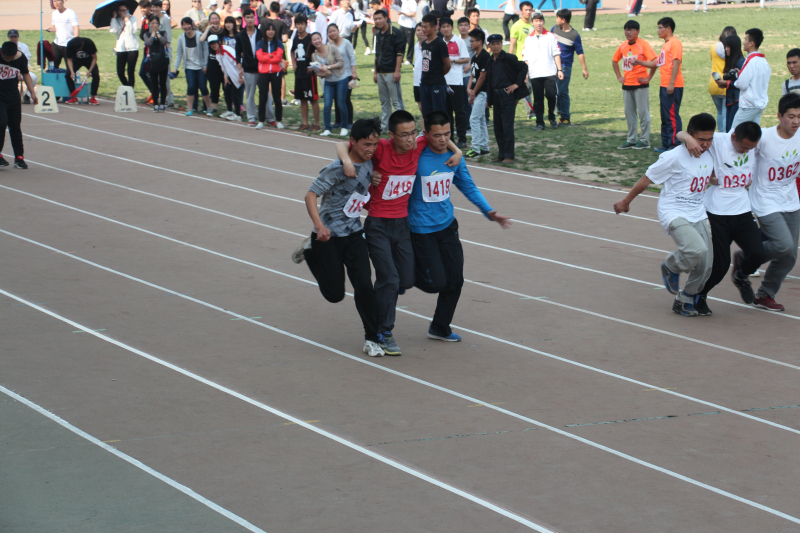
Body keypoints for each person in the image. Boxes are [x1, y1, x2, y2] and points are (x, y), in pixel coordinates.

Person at [335, 110, 463, 355]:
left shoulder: (417, 145)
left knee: (405, 280)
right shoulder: (381, 148)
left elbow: (441, 137)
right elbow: (343, 143)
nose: (410, 139)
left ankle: (386, 293)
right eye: (404, 135)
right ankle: (384, 332)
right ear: (391, 135)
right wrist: (347, 161)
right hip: (378, 225)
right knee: (391, 280)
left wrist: (457, 152)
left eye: (413, 133)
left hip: (402, 225)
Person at [410, 110, 512, 341]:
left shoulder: (454, 158)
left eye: (447, 134)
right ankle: (404, 273)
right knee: (435, 282)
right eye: (437, 135)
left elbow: (468, 186)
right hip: (420, 229)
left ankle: (439, 327)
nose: (443, 139)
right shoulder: (415, 156)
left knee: (455, 280)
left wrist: (489, 212)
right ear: (426, 135)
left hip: (447, 227)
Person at [291, 118, 387, 357]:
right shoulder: (337, 168)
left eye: (374, 144)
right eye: (366, 144)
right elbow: (310, 196)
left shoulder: (370, 161)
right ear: (354, 142)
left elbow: (347, 146)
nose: (371, 149)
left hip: (354, 234)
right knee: (335, 295)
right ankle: (310, 251)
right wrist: (319, 226)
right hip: (328, 237)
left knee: (365, 286)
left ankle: (372, 338)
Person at [613, 113, 716, 317]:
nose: (705, 144)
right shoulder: (673, 157)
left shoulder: (713, 151)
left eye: (709, 139)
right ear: (691, 135)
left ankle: (684, 299)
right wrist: (626, 201)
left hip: (698, 212)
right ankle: (671, 266)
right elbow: (646, 179)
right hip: (674, 211)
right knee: (696, 249)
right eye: (700, 139)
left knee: (706, 265)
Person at [675, 121, 763, 313]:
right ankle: (696, 295)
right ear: (733, 138)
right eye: (743, 147)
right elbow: (682, 133)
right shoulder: (719, 140)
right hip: (716, 213)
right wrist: (688, 138)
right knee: (719, 266)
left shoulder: (754, 145)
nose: (746, 151)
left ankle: (741, 275)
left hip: (742, 210)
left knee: (758, 252)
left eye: (751, 148)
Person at [743, 94, 800, 311]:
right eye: (791, 116)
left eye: (799, 117)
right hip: (764, 199)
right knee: (783, 244)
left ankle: (765, 294)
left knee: (790, 256)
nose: (795, 121)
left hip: (790, 199)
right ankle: (748, 257)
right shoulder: (764, 137)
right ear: (779, 116)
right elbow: (732, 142)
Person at [634, 17, 683, 153]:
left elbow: (676, 62)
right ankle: (666, 143)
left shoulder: (675, 43)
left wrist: (671, 83)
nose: (658, 31)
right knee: (665, 115)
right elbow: (657, 63)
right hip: (664, 85)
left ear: (669, 29)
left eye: (660, 27)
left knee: (672, 116)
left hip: (672, 85)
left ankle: (674, 145)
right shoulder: (666, 44)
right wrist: (639, 62)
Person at [612, 19, 657, 150]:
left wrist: (648, 77)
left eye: (631, 30)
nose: (628, 32)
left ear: (638, 31)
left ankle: (645, 140)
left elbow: (655, 62)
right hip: (627, 85)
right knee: (629, 114)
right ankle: (631, 139)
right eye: (626, 29)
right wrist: (619, 76)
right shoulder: (623, 45)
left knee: (643, 113)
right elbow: (614, 61)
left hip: (640, 85)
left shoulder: (644, 45)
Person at [486, 33, 527, 163]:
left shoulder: (509, 58)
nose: (496, 46)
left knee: (507, 126)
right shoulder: (490, 60)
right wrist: (489, 99)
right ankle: (501, 154)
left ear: (501, 44)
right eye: (493, 44)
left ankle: (509, 156)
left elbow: (524, 67)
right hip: (495, 95)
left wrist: (517, 84)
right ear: (489, 46)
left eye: (498, 43)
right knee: (497, 126)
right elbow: (489, 81)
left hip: (507, 95)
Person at [0, 41, 37, 170]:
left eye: (10, 59)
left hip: (13, 97)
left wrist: (32, 92)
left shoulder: (21, 58)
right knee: (1, 123)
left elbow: (26, 74)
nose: (8, 61)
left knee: (15, 126)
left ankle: (19, 158)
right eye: (5, 58)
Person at [523, 11, 562, 131]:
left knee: (551, 95)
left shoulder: (550, 36)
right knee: (538, 99)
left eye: (540, 20)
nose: (538, 23)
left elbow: (556, 54)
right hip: (535, 74)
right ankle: (540, 123)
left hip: (549, 72)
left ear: (543, 22)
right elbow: (526, 58)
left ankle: (551, 116)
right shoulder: (528, 39)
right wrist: (527, 72)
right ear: (532, 23)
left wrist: (559, 69)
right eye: (536, 21)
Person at [728, 28, 770, 130]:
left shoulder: (751, 61)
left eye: (745, 39)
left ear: (751, 43)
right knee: (752, 135)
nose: (743, 42)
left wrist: (733, 81)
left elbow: (742, 84)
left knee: (733, 134)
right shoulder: (763, 61)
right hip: (759, 104)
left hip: (749, 105)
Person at [373, 9, 406, 132]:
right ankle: (385, 126)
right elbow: (377, 54)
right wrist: (375, 72)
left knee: (396, 101)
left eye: (380, 18)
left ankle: (401, 124)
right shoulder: (378, 33)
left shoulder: (395, 33)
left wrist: (397, 71)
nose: (378, 21)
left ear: (386, 18)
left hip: (392, 72)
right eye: (375, 19)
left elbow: (400, 53)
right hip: (381, 72)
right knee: (384, 101)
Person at [551, 10, 586, 126]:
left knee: (562, 91)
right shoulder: (554, 29)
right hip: (552, 65)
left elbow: (580, 52)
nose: (556, 20)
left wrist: (584, 69)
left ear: (563, 20)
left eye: (557, 18)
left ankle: (565, 118)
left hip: (565, 66)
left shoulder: (574, 35)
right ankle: (560, 112)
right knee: (555, 91)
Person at [439, 18, 469, 149]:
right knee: (446, 113)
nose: (446, 29)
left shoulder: (459, 41)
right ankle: (449, 139)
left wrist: (453, 61)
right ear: (440, 29)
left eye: (448, 26)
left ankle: (462, 138)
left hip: (456, 82)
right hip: (442, 82)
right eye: (443, 27)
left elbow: (467, 58)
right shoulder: (439, 43)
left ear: (452, 28)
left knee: (459, 111)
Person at [173, 17, 211, 116]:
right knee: (191, 87)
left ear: (192, 25)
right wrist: (175, 68)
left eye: (188, 24)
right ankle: (190, 108)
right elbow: (179, 54)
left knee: (203, 87)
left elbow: (205, 51)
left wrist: (205, 65)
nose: (186, 27)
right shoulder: (181, 38)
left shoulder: (199, 35)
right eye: (184, 25)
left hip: (200, 66)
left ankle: (209, 108)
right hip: (189, 67)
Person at [310, 31, 345, 136]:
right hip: (328, 81)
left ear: (322, 38)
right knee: (327, 105)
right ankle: (327, 128)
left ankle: (344, 127)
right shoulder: (314, 55)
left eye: (318, 38)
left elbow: (341, 63)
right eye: (314, 40)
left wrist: (328, 67)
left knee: (341, 104)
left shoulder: (331, 48)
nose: (317, 41)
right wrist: (324, 73)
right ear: (312, 42)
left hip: (340, 79)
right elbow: (317, 73)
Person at [291, 13, 321, 131]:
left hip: (309, 74)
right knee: (302, 99)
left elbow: (318, 52)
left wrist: (313, 66)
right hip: (299, 73)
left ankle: (317, 123)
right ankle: (305, 123)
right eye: (298, 24)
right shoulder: (295, 39)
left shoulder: (310, 38)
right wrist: (293, 63)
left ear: (305, 24)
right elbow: (292, 51)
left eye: (302, 24)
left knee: (313, 99)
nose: (300, 26)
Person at [236, 9, 265, 126]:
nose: (250, 19)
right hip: (248, 69)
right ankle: (252, 117)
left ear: (255, 18)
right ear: (244, 19)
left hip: (262, 68)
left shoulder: (261, 33)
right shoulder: (240, 35)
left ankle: (268, 117)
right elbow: (237, 53)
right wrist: (239, 68)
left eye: (252, 17)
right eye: (247, 17)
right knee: (250, 94)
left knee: (265, 94)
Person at [419, 13, 451, 117]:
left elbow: (447, 65)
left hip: (437, 83)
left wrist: (438, 74)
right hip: (424, 83)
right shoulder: (424, 43)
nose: (423, 29)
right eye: (422, 26)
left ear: (434, 27)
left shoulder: (440, 43)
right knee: (426, 114)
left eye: (426, 27)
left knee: (438, 114)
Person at [465, 29, 490, 158]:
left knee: (474, 119)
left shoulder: (485, 56)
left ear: (480, 42)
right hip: (476, 93)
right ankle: (484, 147)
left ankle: (475, 148)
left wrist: (473, 92)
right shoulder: (474, 57)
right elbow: (472, 75)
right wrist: (469, 90)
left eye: (472, 41)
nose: (470, 43)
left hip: (482, 93)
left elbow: (482, 77)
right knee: (480, 120)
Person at [329, 24, 357, 135]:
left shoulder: (346, 43)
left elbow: (352, 57)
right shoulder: (330, 45)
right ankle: (338, 121)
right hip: (335, 75)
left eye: (333, 31)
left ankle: (349, 121)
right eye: (330, 32)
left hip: (348, 75)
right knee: (336, 98)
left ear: (338, 30)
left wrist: (354, 72)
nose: (332, 33)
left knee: (345, 99)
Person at [253, 22, 282, 128]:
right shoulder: (260, 43)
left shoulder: (278, 42)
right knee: (262, 97)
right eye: (268, 29)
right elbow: (259, 57)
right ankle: (261, 121)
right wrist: (271, 56)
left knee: (277, 97)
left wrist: (268, 57)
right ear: (265, 31)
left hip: (276, 72)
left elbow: (278, 57)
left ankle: (279, 120)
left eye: (273, 29)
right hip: (263, 73)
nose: (271, 32)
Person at [709, 27, 735, 133]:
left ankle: (720, 133)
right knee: (725, 113)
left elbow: (712, 59)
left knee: (719, 112)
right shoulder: (733, 50)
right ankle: (724, 135)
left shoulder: (713, 47)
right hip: (726, 84)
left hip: (714, 83)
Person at [151, 0, 175, 108]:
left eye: (157, 7)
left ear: (161, 7)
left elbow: (168, 37)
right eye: (153, 7)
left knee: (165, 79)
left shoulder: (165, 19)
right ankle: (160, 99)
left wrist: (165, 51)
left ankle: (168, 100)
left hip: (164, 53)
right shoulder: (152, 19)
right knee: (156, 78)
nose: (155, 9)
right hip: (155, 54)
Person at [718, 34, 744, 133]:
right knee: (728, 129)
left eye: (728, 46)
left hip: (736, 101)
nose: (726, 49)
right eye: (725, 46)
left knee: (732, 131)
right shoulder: (733, 61)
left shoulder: (740, 62)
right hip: (730, 100)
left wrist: (726, 83)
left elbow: (741, 83)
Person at [110, 3, 140, 88]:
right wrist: (113, 18)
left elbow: (133, 31)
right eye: (120, 10)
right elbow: (113, 30)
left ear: (127, 10)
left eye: (123, 10)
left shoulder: (133, 18)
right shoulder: (117, 19)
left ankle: (130, 91)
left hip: (132, 48)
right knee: (120, 72)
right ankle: (127, 88)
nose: (121, 12)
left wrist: (127, 20)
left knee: (130, 71)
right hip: (121, 48)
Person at [144, 16, 170, 111]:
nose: (154, 25)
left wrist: (158, 33)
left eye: (156, 23)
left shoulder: (163, 33)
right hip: (152, 62)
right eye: (152, 23)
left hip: (162, 61)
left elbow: (164, 42)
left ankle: (162, 103)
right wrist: (153, 34)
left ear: (159, 25)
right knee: (154, 84)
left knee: (163, 83)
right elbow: (149, 43)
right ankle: (155, 104)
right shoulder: (146, 34)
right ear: (149, 24)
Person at [64, 37, 99, 105]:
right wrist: (72, 72)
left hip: (89, 60)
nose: (79, 50)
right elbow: (69, 59)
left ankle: (93, 97)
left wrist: (89, 71)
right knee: (68, 75)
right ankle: (74, 97)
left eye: (80, 48)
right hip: (76, 60)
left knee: (96, 74)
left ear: (82, 44)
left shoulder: (89, 42)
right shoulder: (70, 44)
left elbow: (94, 58)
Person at [220, 16, 243, 119]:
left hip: (237, 67)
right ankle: (230, 110)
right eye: (226, 23)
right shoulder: (223, 37)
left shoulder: (238, 36)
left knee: (235, 90)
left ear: (234, 24)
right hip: (228, 68)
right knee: (226, 89)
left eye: (230, 22)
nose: (228, 25)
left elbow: (241, 51)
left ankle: (238, 113)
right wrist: (225, 73)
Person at [47, 0, 79, 69]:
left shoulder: (70, 13)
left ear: (63, 2)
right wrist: (50, 29)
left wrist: (76, 42)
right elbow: (54, 27)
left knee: (71, 68)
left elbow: (76, 27)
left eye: (58, 1)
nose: (57, 3)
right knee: (52, 67)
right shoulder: (54, 13)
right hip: (57, 44)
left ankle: (72, 78)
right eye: (55, 1)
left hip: (68, 44)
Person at [7, 31, 36, 104]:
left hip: (22, 71)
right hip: (9, 72)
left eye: (15, 37)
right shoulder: (4, 47)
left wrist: (20, 72)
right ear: (8, 37)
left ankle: (27, 95)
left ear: (18, 37)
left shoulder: (24, 47)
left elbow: (27, 61)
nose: (13, 39)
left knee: (33, 77)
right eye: (11, 37)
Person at [398, 0, 417, 65]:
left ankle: (409, 59)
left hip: (409, 25)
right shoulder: (404, 1)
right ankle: (401, 59)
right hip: (402, 24)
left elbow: (413, 14)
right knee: (401, 43)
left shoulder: (413, 2)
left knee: (410, 43)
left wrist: (404, 13)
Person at [412, 23, 425, 112]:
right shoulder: (416, 46)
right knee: (420, 107)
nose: (420, 32)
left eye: (422, 30)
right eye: (418, 30)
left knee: (427, 107)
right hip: (416, 81)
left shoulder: (429, 45)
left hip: (425, 81)